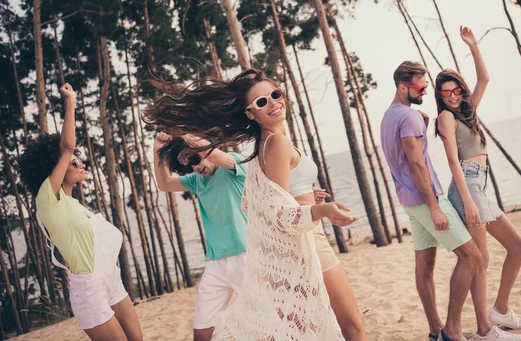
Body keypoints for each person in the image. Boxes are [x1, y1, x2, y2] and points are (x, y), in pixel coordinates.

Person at [143, 69, 360, 340]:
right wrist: (322, 210)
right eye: (261, 102)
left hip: (285, 243)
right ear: (250, 113)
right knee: (348, 328)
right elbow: (279, 211)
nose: (272, 103)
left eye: (275, 95)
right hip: (300, 240)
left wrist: (307, 197)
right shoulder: (272, 143)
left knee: (312, 328)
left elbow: (269, 197)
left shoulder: (253, 152)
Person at [18, 83, 143, 341]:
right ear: (57, 167)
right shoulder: (47, 199)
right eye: (74, 162)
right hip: (88, 290)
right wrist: (71, 102)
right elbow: (66, 147)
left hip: (111, 278)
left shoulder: (73, 204)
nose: (80, 162)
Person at [434, 26, 521, 341]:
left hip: (478, 187)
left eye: (455, 90)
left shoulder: (466, 114)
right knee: (481, 260)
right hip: (467, 189)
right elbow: (452, 161)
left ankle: (500, 309)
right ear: (440, 97)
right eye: (444, 93)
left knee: (518, 248)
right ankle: (485, 329)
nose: (451, 96)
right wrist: (469, 200)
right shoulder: (446, 119)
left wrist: (474, 46)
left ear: (461, 91)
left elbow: (484, 79)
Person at [380, 61, 483, 341]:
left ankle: (435, 330)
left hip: (408, 201)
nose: (426, 92)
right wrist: (436, 207)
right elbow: (416, 165)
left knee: (424, 265)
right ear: (404, 87)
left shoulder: (390, 117)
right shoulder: (409, 117)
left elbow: (404, 157)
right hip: (426, 199)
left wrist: (422, 127)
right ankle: (452, 330)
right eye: (422, 87)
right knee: (471, 257)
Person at [153, 133, 248, 341]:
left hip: (247, 256)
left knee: (266, 320)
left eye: (195, 160)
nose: (195, 168)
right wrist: (157, 151)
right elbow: (165, 184)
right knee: (203, 330)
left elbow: (212, 151)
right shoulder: (197, 181)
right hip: (216, 263)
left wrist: (182, 133)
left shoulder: (233, 164)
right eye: (188, 166)